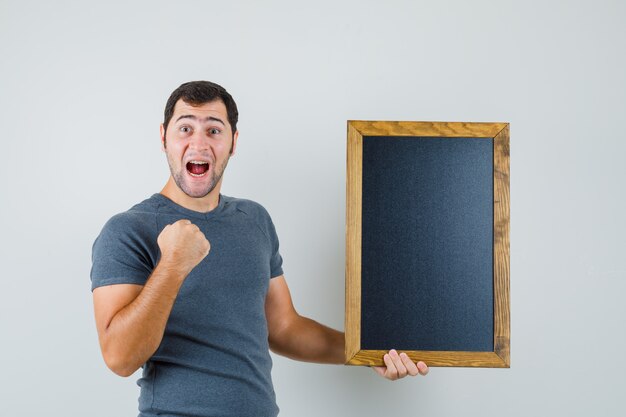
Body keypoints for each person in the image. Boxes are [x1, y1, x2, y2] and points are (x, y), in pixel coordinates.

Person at [90, 80, 429, 417]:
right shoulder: (128, 229)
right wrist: (173, 265)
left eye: (213, 130)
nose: (198, 142)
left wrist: (366, 352)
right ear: (163, 137)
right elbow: (120, 358)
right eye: (185, 128)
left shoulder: (253, 219)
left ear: (233, 142)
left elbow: (284, 328)